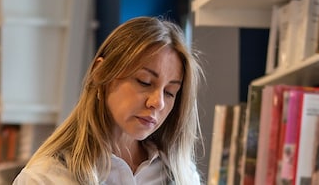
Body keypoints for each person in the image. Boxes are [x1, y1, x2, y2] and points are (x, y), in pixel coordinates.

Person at [14, 16, 203, 185]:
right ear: (100, 73)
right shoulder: (43, 179)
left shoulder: (183, 176)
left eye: (170, 92)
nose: (158, 102)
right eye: (144, 82)